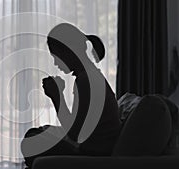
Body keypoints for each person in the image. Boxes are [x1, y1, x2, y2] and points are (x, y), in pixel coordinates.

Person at [21, 23, 122, 169]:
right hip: (91, 147)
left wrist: (57, 96)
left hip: (93, 153)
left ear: (69, 51)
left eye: (56, 56)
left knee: (31, 140)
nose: (55, 63)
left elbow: (75, 135)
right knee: (36, 133)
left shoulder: (86, 81)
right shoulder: (89, 76)